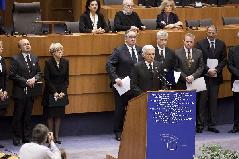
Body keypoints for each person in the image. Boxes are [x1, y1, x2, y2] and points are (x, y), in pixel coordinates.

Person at [106, 29, 143, 141]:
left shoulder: (140, 50)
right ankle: (118, 132)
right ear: (125, 38)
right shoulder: (119, 50)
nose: (133, 39)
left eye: (135, 37)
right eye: (130, 37)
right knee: (120, 109)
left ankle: (134, 131)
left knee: (136, 109)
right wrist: (115, 78)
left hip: (136, 86)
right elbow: (109, 65)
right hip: (122, 85)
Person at [9, 39, 41, 146]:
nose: (27, 46)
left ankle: (26, 137)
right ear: (20, 48)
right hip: (20, 92)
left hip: (31, 92)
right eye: (25, 44)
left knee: (28, 116)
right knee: (18, 116)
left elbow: (39, 73)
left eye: (28, 44)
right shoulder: (15, 58)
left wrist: (34, 79)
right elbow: (12, 75)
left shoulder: (34, 57)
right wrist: (26, 81)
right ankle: (17, 137)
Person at [196, 25, 227, 133]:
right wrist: (208, 70)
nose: (211, 35)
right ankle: (200, 125)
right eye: (209, 32)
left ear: (216, 33)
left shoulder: (221, 44)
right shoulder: (200, 44)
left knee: (213, 102)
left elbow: (224, 60)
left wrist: (216, 70)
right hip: (203, 77)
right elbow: (199, 60)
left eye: (213, 33)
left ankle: (212, 125)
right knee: (202, 102)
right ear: (206, 32)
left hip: (215, 77)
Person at [175, 33, 204, 133]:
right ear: (183, 41)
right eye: (187, 41)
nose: (189, 43)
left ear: (193, 42)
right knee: (183, 105)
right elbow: (176, 68)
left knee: (197, 105)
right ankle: (183, 127)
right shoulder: (177, 52)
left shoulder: (199, 52)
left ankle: (198, 126)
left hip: (196, 82)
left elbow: (201, 67)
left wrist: (193, 76)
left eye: (191, 42)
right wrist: (185, 77)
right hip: (182, 83)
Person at [42, 43, 69, 144]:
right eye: (58, 51)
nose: (61, 52)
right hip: (50, 92)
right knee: (50, 115)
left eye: (62, 50)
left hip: (62, 92)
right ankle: (50, 137)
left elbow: (67, 79)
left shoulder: (66, 62)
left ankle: (57, 136)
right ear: (53, 53)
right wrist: (55, 92)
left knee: (58, 115)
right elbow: (47, 79)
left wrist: (63, 91)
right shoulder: (48, 62)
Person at [227, 32, 239, 133]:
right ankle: (236, 126)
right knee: (237, 104)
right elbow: (230, 65)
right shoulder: (232, 50)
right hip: (237, 81)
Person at [0, 41, 8, 149]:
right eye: (0, 46)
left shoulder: (2, 59)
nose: (2, 48)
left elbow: (5, 76)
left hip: (2, 93)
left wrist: (5, 90)